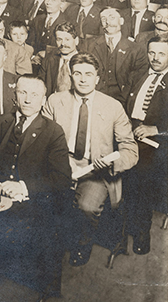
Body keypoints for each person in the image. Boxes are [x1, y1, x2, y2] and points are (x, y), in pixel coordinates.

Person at [41, 53, 139, 266]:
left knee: (86, 206)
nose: (83, 79)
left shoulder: (113, 106)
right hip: (59, 165)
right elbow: (41, 138)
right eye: (77, 74)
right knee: (42, 202)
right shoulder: (56, 101)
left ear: (97, 78)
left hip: (94, 170)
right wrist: (57, 162)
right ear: (70, 75)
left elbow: (130, 148)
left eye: (88, 74)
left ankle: (81, 245)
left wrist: (114, 162)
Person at [0, 75, 72, 298]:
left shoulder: (53, 131)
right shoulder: (2, 122)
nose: (28, 99)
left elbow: (62, 180)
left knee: (47, 233)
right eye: (23, 93)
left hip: (35, 199)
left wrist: (24, 186)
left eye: (34, 95)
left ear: (44, 100)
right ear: (15, 96)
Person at [124, 36, 168, 255]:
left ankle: (142, 230)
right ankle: (118, 231)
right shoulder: (139, 75)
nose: (156, 58)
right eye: (152, 53)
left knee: (142, 180)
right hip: (130, 134)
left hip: (158, 143)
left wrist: (156, 130)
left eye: (161, 53)